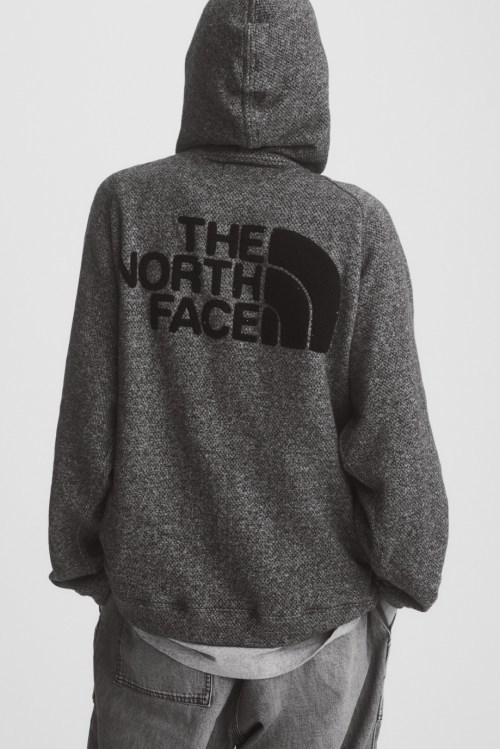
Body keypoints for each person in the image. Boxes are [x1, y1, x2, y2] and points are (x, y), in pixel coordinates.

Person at [47, 0, 449, 746]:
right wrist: (406, 571)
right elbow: (393, 429)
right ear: (313, 82)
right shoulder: (355, 226)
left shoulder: (129, 206)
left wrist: (80, 557)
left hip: (159, 624)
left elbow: (89, 408)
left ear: (197, 73)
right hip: (317, 635)